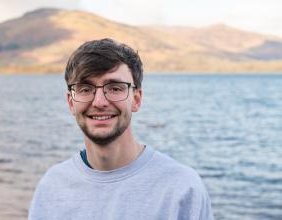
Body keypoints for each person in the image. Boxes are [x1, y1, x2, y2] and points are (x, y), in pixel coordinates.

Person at [28, 38, 214, 220]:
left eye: (115, 88)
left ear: (136, 99)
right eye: (85, 89)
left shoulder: (181, 189)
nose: (99, 102)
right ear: (71, 102)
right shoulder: (51, 188)